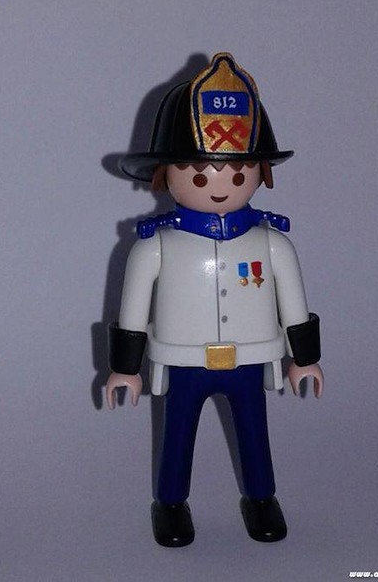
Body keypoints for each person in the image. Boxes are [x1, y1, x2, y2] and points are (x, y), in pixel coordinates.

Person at [106, 53, 323, 547]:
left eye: (238, 174)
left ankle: (261, 496)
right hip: (185, 361)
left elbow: (294, 304)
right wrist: (125, 368)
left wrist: (305, 358)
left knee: (254, 432)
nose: (221, 187)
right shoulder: (155, 246)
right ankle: (171, 502)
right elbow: (132, 311)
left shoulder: (272, 244)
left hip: (250, 357)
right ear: (164, 175)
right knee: (177, 433)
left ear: (260, 174)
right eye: (200, 176)